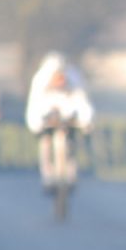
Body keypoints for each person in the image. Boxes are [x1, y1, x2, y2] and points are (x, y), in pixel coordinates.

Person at [25, 52, 94, 194]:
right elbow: (34, 106)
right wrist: (37, 125)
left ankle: (71, 175)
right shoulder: (40, 82)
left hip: (67, 121)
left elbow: (82, 103)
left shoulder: (73, 80)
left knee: (71, 144)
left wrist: (86, 122)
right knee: (45, 144)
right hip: (48, 119)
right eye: (56, 77)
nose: (59, 80)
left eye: (61, 76)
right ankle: (47, 176)